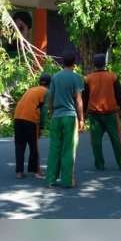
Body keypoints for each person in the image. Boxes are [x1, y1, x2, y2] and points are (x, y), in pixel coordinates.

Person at [45, 52, 85, 188]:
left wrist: (51, 111)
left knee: (54, 148)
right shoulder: (76, 78)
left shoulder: (55, 77)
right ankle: (67, 181)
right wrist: (81, 119)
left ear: (62, 62)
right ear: (74, 63)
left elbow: (50, 96)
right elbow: (79, 100)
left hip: (56, 116)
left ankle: (50, 179)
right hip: (69, 116)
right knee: (68, 148)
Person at [84, 53, 121, 171]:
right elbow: (119, 94)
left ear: (94, 65)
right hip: (110, 113)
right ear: (105, 64)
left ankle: (99, 164)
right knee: (116, 139)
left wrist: (83, 113)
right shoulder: (112, 77)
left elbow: (85, 97)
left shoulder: (88, 79)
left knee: (96, 141)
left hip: (94, 114)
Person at [13, 73, 50, 178]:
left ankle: (19, 172)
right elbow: (43, 111)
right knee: (34, 146)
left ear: (39, 82)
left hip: (17, 117)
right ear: (49, 84)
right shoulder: (46, 92)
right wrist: (41, 126)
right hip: (30, 119)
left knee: (20, 145)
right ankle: (36, 171)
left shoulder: (31, 89)